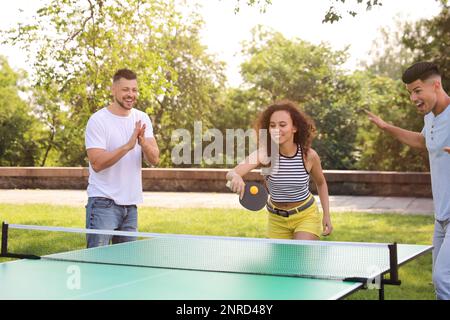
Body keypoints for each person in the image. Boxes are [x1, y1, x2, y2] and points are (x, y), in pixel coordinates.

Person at [366, 61, 450, 300]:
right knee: (442, 283)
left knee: (443, 279)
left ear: (436, 85)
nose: (413, 98)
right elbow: (422, 142)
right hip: (441, 218)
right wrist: (385, 127)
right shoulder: (431, 118)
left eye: (417, 90)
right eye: (410, 93)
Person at [226, 100, 333, 240]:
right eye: (272, 125)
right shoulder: (264, 154)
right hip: (276, 219)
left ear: (294, 127)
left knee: (300, 256)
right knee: (281, 262)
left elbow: (321, 183)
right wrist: (236, 177)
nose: (277, 129)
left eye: (282, 125)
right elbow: (231, 173)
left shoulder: (309, 156)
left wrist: (326, 214)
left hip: (305, 215)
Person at [84, 69, 159, 248]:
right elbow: (97, 163)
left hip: (131, 206)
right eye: (126, 90)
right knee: (98, 264)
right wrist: (127, 146)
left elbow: (155, 159)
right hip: (103, 203)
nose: (130, 95)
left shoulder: (142, 118)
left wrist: (143, 143)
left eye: (134, 90)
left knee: (125, 267)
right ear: (113, 90)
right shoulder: (98, 120)